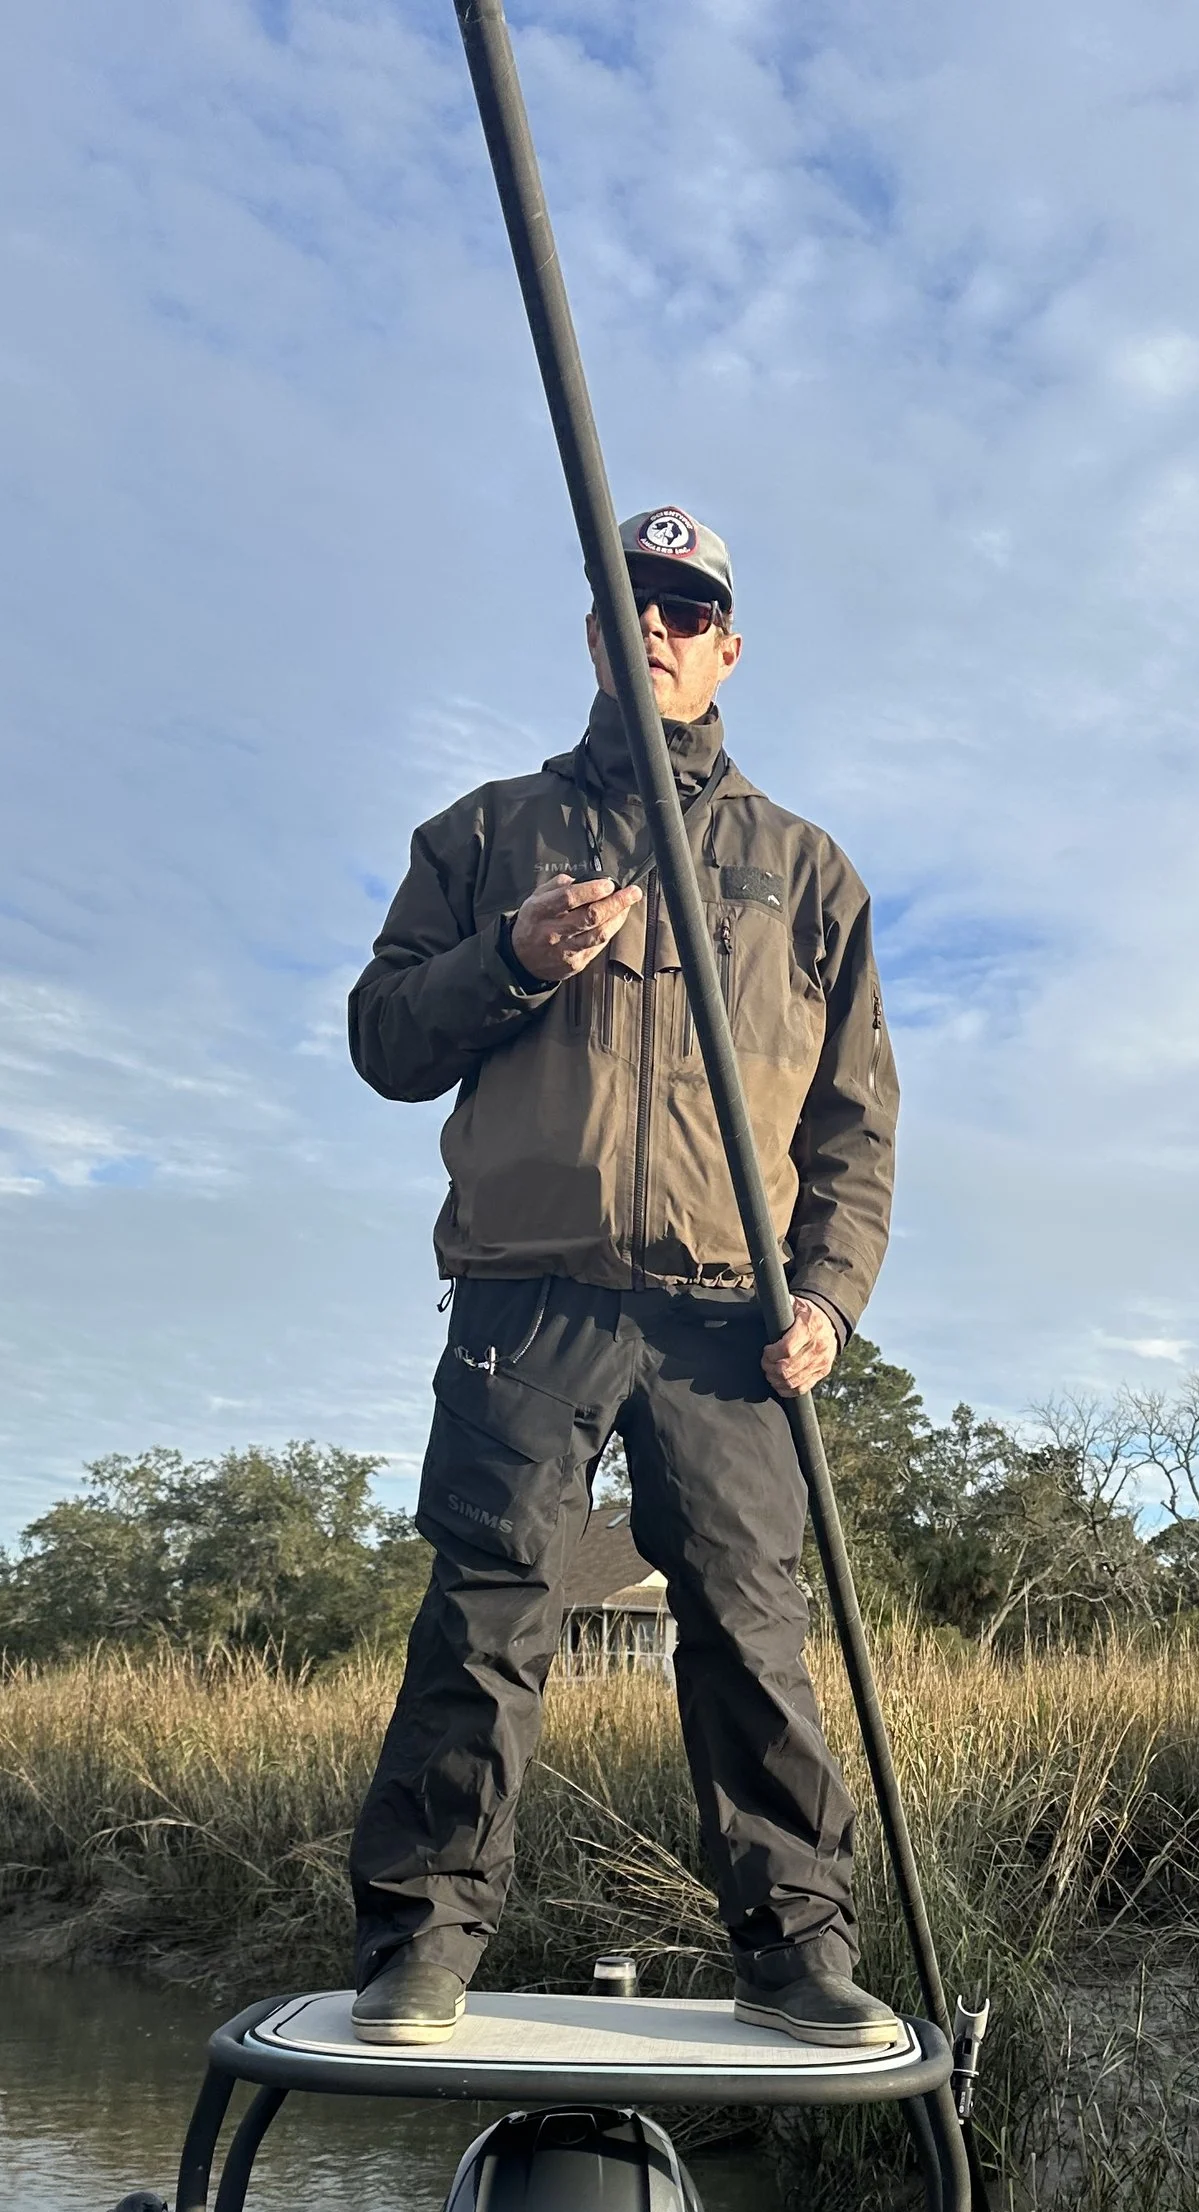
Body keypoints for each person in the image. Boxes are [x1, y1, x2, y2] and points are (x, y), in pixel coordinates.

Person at [342, 507, 900, 2048]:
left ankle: (796, 1952)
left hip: (735, 1323)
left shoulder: (809, 872)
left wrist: (829, 1301)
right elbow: (385, 1042)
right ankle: (422, 1947)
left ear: (728, 644)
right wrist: (514, 958)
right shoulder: (483, 834)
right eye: (627, 601)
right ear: (595, 636)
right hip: (530, 1301)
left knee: (750, 1627)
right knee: (486, 1611)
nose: (654, 621)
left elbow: (855, 1126)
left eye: (686, 603)